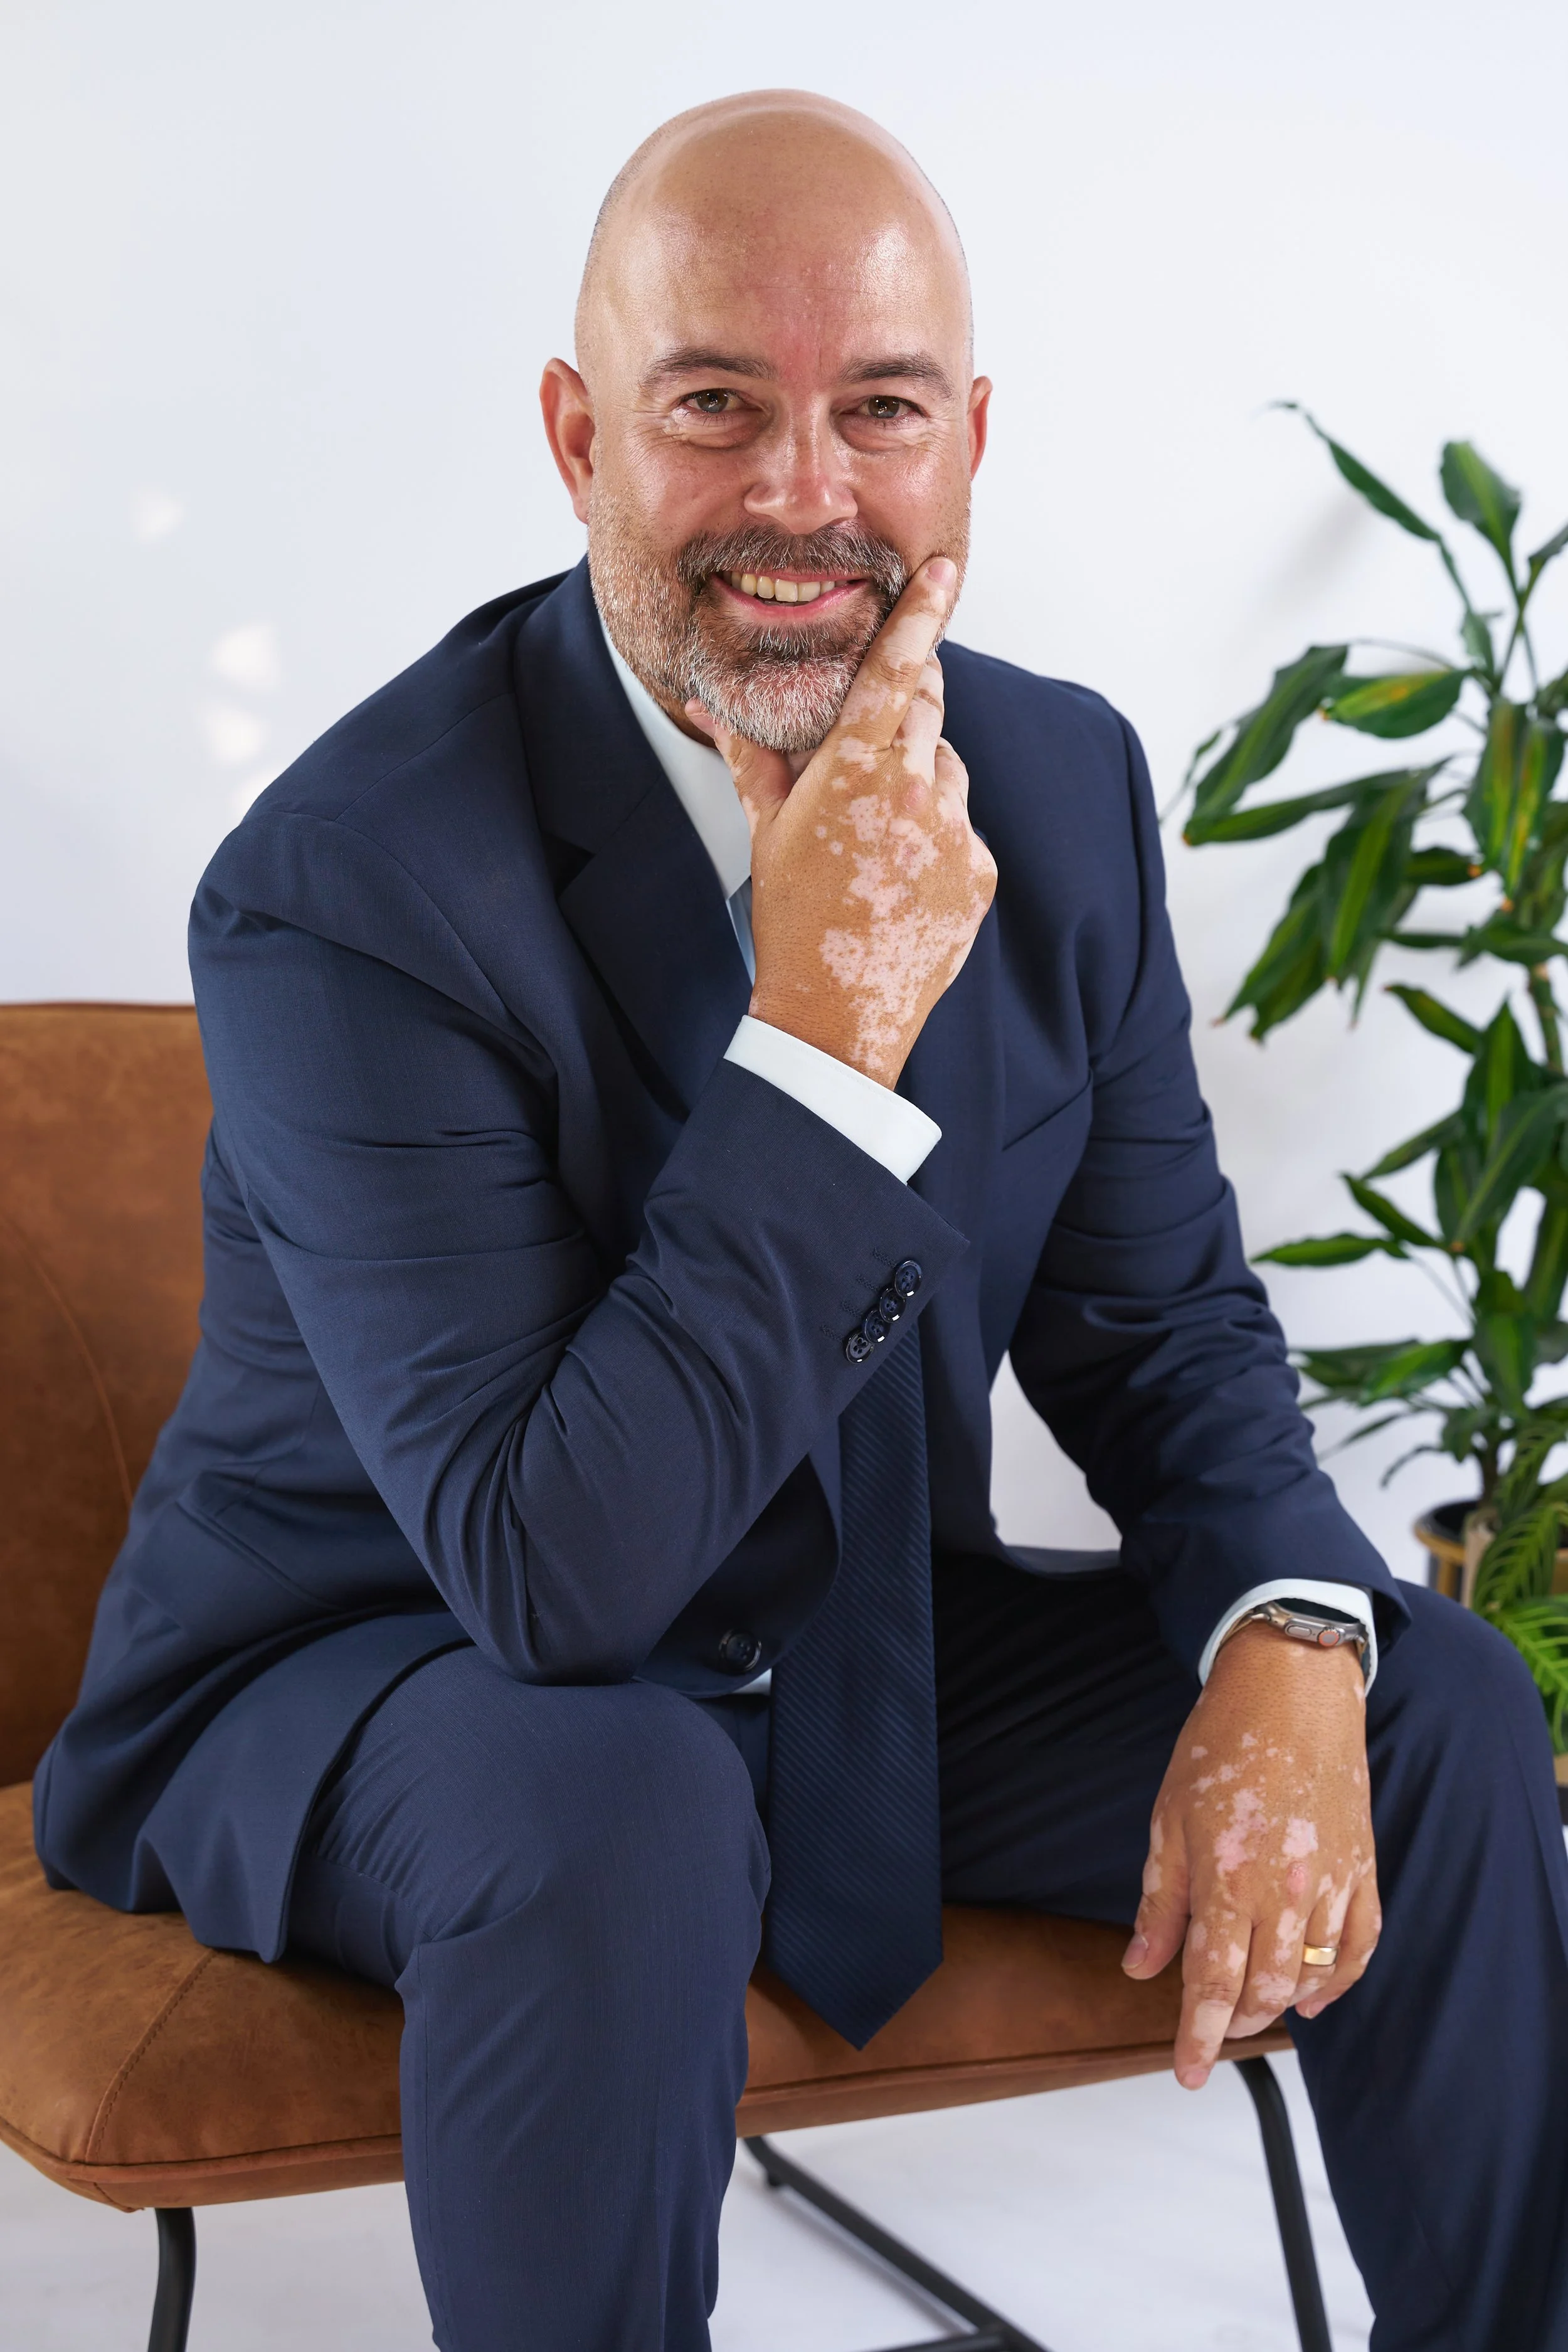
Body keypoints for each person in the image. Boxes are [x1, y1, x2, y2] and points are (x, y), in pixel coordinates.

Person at [33, 88, 1568, 2351]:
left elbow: (1160, 1330)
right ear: (575, 437)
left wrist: (1282, 1632)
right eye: (712, 410)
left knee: (1414, 1685)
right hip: (383, 1674)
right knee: (621, 1785)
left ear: (969, 441)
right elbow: (552, 1581)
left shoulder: (1051, 785)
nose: (802, 499)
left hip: (833, 1655)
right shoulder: (344, 882)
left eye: (879, 412)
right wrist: (827, 1033)